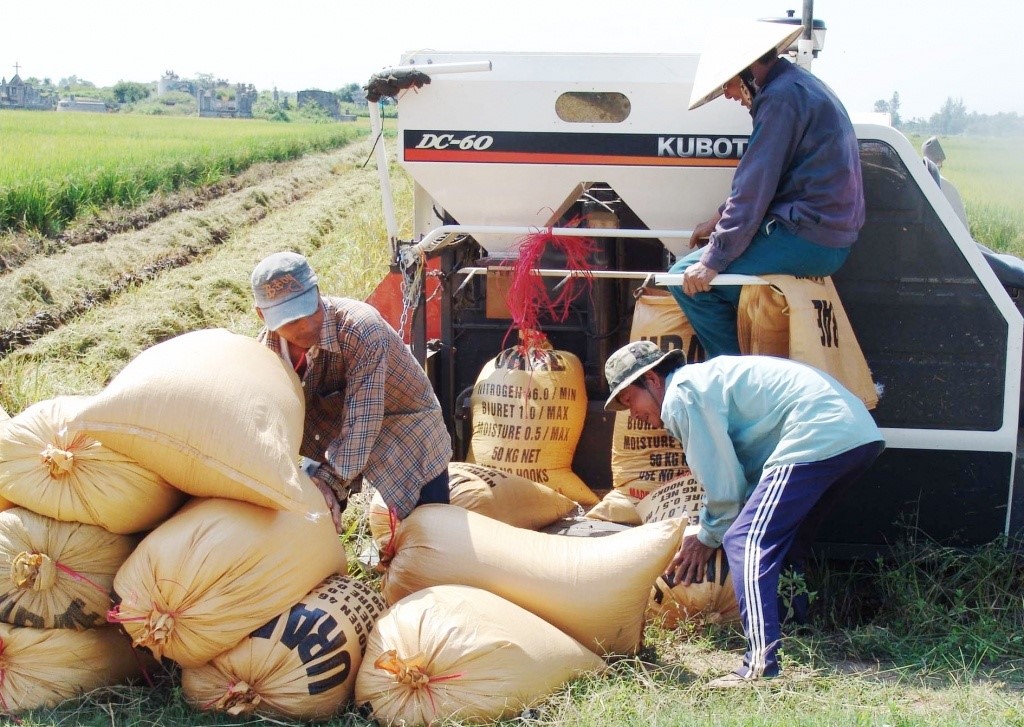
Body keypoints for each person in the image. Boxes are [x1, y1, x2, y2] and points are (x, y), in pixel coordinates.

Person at [604, 340, 884, 688]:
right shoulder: (704, 382)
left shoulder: (682, 395)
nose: (633, 413)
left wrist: (705, 536)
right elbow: (742, 479)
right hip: (856, 433)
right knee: (786, 541)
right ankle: (798, 634)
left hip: (818, 431)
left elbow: (725, 488)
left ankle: (760, 667)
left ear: (653, 380)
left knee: (746, 539)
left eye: (630, 399)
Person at [669, 21, 865, 358]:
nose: (729, 95)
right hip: (828, 237)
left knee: (685, 282)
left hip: (806, 238)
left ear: (748, 70)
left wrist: (714, 259)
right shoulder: (803, 86)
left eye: (728, 84)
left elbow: (754, 186)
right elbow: (766, 178)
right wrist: (718, 219)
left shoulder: (779, 98)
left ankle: (733, 380)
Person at [250, 251, 452, 531]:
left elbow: (363, 420)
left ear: (317, 291)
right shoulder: (265, 355)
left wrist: (329, 480)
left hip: (405, 426)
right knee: (309, 515)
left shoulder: (359, 329)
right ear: (262, 315)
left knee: (430, 532)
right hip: (333, 431)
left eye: (311, 310)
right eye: (292, 320)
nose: (307, 326)